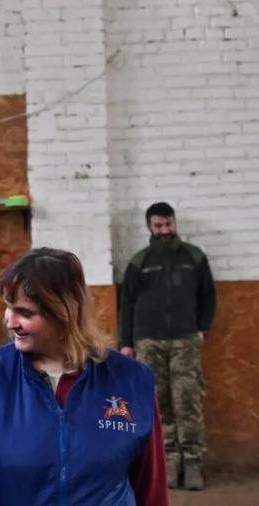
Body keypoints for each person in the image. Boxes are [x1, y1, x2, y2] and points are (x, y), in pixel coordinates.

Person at [0, 248, 168, 506]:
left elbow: (152, 492)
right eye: (8, 307)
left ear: (66, 314)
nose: (10, 322)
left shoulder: (132, 383)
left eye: (25, 313)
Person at [119, 202, 216, 490]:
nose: (164, 230)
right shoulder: (140, 261)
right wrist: (126, 343)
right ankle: (169, 464)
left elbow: (208, 297)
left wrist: (202, 329)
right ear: (149, 227)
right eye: (158, 226)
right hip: (147, 342)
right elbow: (127, 305)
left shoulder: (194, 257)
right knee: (158, 405)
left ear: (174, 223)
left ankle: (194, 464)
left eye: (168, 224)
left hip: (185, 341)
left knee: (188, 402)